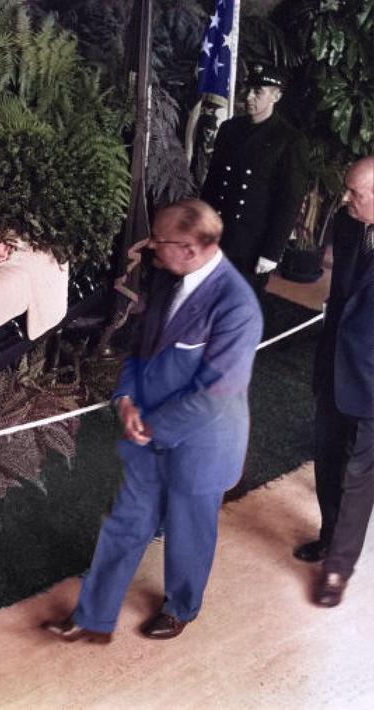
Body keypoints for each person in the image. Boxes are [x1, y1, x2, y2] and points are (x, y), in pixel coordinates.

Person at [42, 199, 262, 642]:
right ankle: (93, 618)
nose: (150, 249)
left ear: (190, 248)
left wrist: (151, 424)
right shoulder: (166, 279)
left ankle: (182, 607)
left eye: (158, 241)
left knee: (188, 532)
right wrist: (124, 398)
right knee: (125, 521)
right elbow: (138, 349)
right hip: (147, 432)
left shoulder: (238, 307)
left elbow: (215, 395)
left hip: (201, 444)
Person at [293, 156, 374, 607]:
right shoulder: (348, 227)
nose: (344, 198)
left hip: (373, 380)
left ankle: (338, 569)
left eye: (354, 192)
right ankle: (329, 537)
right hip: (334, 366)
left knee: (359, 475)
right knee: (326, 457)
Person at [200, 64, 309, 293]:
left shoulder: (289, 140)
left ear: (276, 96)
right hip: (217, 232)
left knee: (240, 303)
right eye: (248, 89)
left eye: (258, 91)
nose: (249, 96)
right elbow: (213, 182)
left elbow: (289, 201)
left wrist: (272, 251)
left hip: (251, 242)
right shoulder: (230, 129)